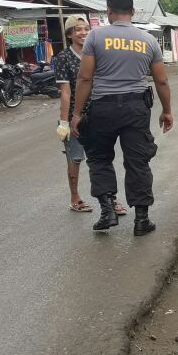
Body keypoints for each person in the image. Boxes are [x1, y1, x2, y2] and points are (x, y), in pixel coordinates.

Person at [71, 0, 173, 235]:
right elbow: (161, 81)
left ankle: (108, 212)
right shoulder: (148, 40)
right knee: (137, 162)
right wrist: (167, 110)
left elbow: (85, 78)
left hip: (102, 107)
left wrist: (76, 114)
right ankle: (141, 220)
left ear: (108, 11)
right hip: (136, 107)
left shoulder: (95, 37)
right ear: (133, 12)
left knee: (99, 158)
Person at [55, 15, 126, 218]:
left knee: (103, 158)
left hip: (100, 114)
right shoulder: (63, 58)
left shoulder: (97, 54)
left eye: (86, 29)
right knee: (75, 159)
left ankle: (111, 199)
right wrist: (64, 122)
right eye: (78, 29)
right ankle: (75, 198)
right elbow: (66, 93)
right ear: (69, 34)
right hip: (75, 118)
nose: (83, 33)